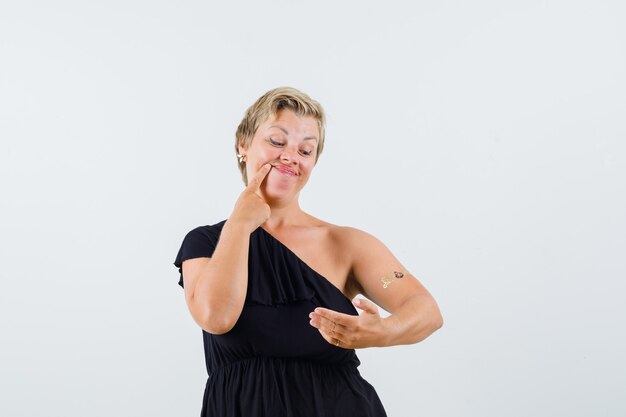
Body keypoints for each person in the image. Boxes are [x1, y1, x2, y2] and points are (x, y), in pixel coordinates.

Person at [174, 87, 443, 417]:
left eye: (306, 150)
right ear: (243, 145)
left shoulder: (346, 244)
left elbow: (425, 310)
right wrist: (241, 223)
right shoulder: (205, 243)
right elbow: (216, 317)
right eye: (276, 141)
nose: (290, 156)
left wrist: (382, 332)